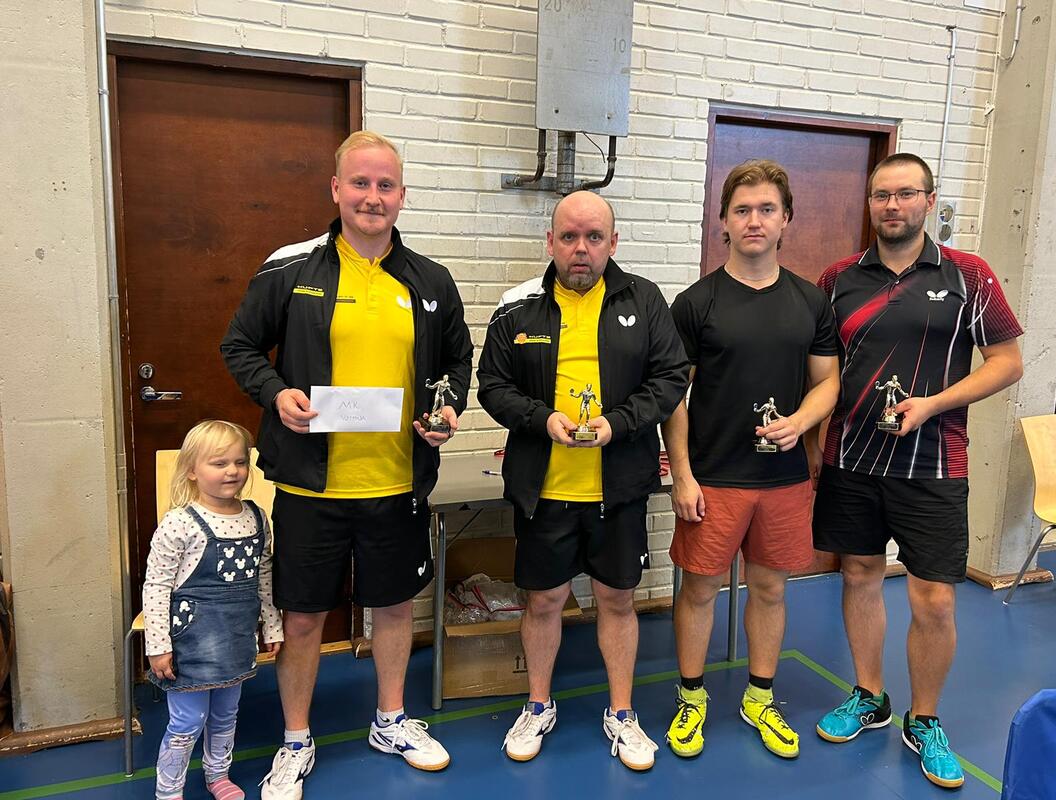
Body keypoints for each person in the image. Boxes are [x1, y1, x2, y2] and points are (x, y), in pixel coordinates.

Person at [221, 131, 473, 798]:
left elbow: (457, 362)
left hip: (396, 482)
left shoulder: (430, 280)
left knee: (392, 608)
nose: (372, 197)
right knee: (303, 618)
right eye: (360, 183)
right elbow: (239, 345)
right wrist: (276, 394)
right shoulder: (290, 267)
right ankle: (295, 739)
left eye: (385, 185)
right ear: (336, 189)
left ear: (402, 195)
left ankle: (390, 720)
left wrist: (447, 410)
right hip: (312, 486)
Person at [812, 153, 1023, 788]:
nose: (892, 206)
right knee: (859, 576)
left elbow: (1007, 362)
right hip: (851, 459)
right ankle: (868, 696)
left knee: (934, 598)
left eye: (906, 194)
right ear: (869, 204)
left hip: (934, 464)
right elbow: (823, 371)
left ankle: (924, 720)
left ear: (930, 201)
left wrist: (933, 403)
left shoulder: (969, 274)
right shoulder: (837, 279)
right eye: (881, 195)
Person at [478, 190, 689, 770]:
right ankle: (537, 704)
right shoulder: (517, 306)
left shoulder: (644, 299)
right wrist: (540, 419)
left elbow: (671, 378)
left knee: (617, 599)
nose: (581, 249)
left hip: (617, 488)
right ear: (550, 241)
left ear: (612, 243)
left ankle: (621, 713)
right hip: (543, 490)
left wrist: (618, 423)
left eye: (594, 237)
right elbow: (492, 385)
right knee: (544, 599)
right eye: (569, 237)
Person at [663, 160, 840, 760]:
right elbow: (673, 396)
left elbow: (828, 382)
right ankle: (691, 698)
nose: (754, 220)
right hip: (714, 478)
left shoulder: (810, 301)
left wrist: (802, 422)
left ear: (786, 219)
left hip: (783, 479)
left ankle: (760, 698)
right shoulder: (696, 302)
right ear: (724, 222)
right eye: (742, 210)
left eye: (767, 209)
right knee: (699, 590)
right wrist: (682, 475)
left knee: (769, 589)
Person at [142, 420, 284, 800]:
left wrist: (272, 625)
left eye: (240, 462)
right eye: (219, 463)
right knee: (188, 720)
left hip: (235, 638)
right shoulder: (179, 523)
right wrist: (158, 644)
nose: (232, 471)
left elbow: (264, 575)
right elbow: (156, 586)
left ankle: (218, 774)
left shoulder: (256, 517)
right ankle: (168, 790)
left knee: (225, 713)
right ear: (192, 470)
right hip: (191, 644)